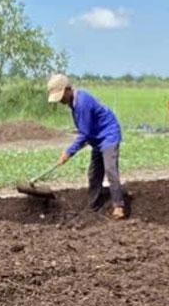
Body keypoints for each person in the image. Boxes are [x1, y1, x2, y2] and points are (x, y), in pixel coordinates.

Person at [46, 74, 127, 219]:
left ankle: (118, 206)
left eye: (60, 96)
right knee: (94, 173)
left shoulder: (82, 102)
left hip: (108, 135)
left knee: (110, 169)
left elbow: (85, 134)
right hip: (96, 137)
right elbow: (87, 132)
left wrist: (68, 153)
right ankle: (93, 206)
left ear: (68, 89)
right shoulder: (74, 103)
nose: (60, 101)